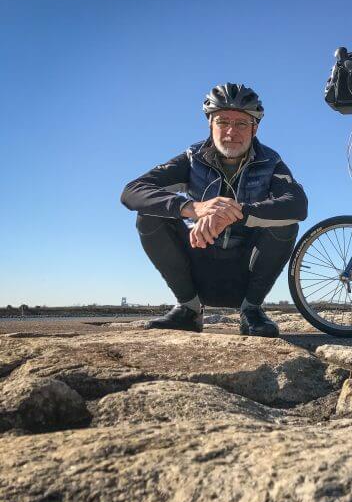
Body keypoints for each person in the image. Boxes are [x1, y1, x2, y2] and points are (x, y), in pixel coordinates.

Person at [120, 83, 308, 337]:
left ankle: (251, 311)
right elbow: (132, 191)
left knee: (286, 223)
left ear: (255, 128)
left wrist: (233, 214)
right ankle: (188, 310)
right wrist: (193, 208)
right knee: (149, 216)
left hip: (245, 274)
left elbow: (297, 205)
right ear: (210, 124)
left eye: (241, 123)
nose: (231, 131)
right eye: (223, 122)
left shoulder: (270, 161)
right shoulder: (192, 158)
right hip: (197, 267)